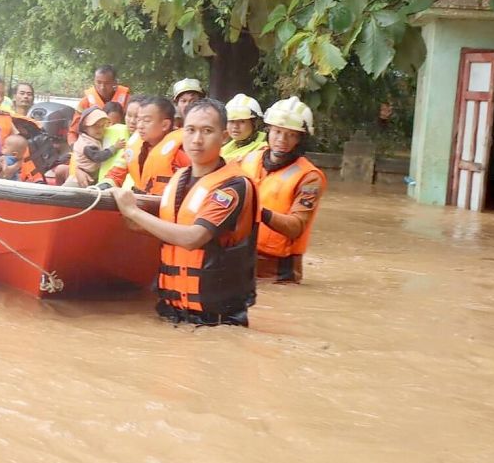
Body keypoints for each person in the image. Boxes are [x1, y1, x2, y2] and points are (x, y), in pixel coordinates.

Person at [113, 99, 258, 326]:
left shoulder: (233, 186)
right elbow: (161, 229)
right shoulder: (178, 178)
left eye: (207, 131)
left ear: (224, 136)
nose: (197, 139)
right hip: (172, 311)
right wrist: (131, 218)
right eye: (190, 130)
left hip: (215, 321)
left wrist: (133, 212)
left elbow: (192, 238)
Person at [238, 96, 326, 284]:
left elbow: (296, 227)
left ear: (300, 139)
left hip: (278, 270)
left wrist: (257, 211)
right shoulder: (248, 159)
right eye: (277, 131)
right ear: (268, 130)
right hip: (241, 259)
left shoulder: (310, 177)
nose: (282, 140)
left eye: (291, 134)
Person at [99, 96, 190, 195]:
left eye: (146, 121)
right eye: (139, 120)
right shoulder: (134, 146)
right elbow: (116, 174)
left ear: (165, 125)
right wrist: (103, 186)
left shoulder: (181, 152)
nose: (140, 126)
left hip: (166, 205)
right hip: (139, 202)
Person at [68, 65, 132, 144]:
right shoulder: (85, 102)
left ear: (115, 82)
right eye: (98, 82)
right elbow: (73, 132)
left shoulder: (128, 101)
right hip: (93, 149)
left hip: (121, 146)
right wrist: (74, 149)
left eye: (107, 83)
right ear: (94, 81)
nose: (102, 87)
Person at [64, 108, 126, 187]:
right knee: (67, 192)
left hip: (92, 176)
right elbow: (98, 156)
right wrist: (114, 147)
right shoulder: (87, 144)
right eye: (95, 126)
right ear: (85, 127)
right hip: (83, 177)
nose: (100, 129)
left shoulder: (95, 138)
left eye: (103, 126)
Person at [221, 93, 267, 160]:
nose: (235, 126)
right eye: (231, 121)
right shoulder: (224, 149)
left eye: (242, 121)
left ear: (255, 124)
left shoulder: (264, 149)